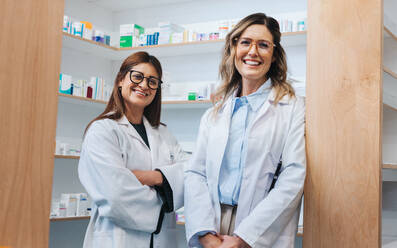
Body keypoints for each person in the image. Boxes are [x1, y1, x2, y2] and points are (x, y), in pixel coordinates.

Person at [184, 13, 306, 248]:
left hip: (260, 229)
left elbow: (293, 177)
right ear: (234, 48)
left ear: (274, 54)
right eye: (246, 42)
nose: (253, 52)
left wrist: (244, 238)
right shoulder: (215, 113)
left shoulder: (292, 107)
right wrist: (205, 233)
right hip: (213, 227)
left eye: (263, 45)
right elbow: (195, 174)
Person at [78, 51, 186, 248]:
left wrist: (154, 177)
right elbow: (115, 194)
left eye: (152, 81)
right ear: (120, 80)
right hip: (116, 240)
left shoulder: (163, 134)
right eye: (137, 77)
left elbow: (188, 176)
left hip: (163, 241)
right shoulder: (103, 130)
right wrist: (166, 190)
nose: (144, 85)